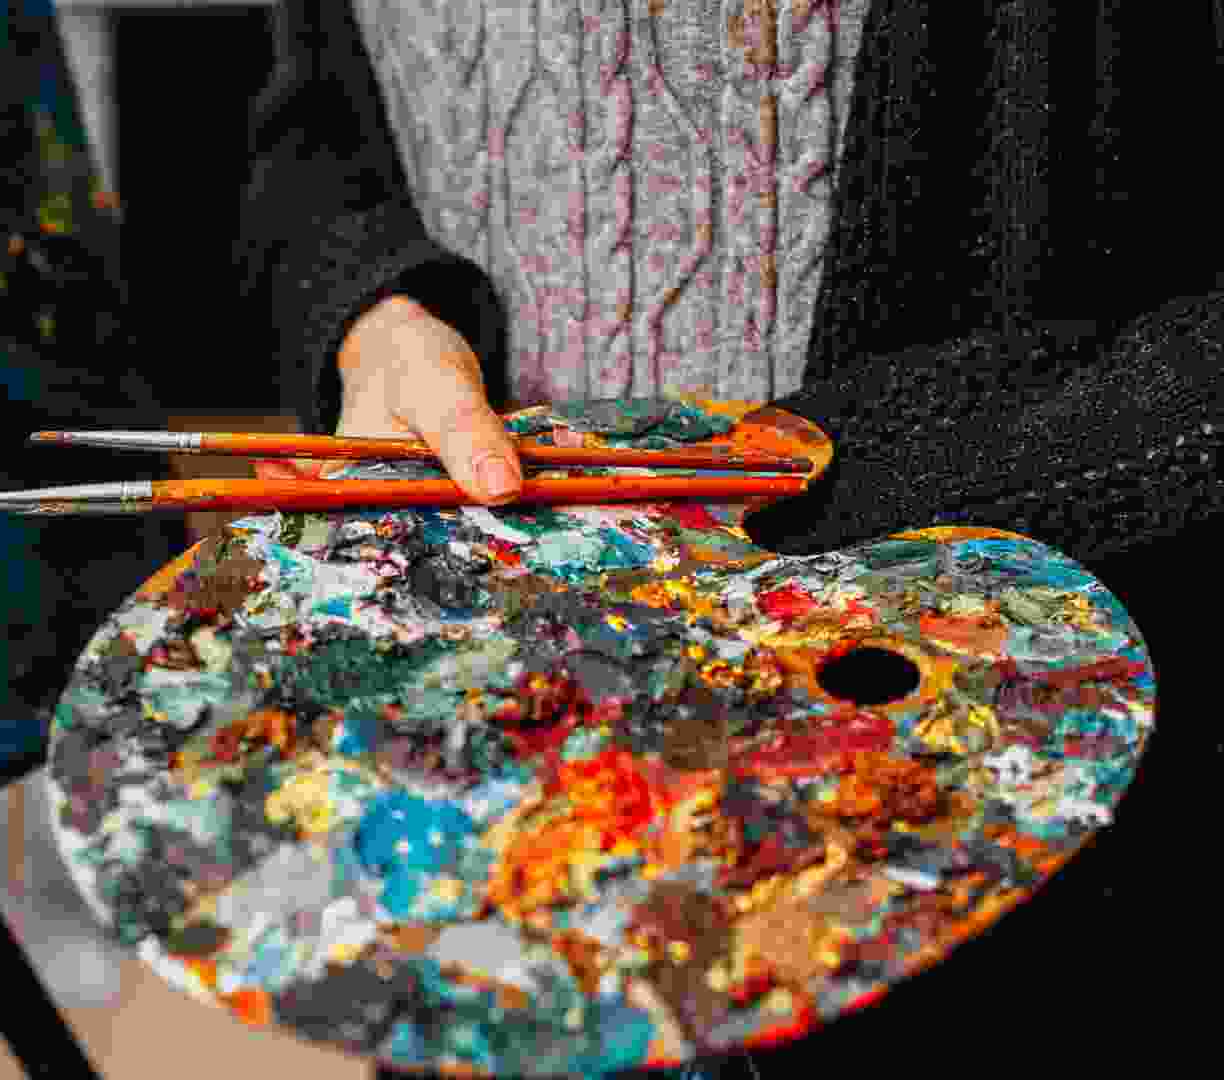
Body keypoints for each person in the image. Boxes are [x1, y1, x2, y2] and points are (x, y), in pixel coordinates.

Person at [234, 2, 1223, 1076]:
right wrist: (370, 312)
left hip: (984, 805)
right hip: (505, 739)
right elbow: (313, 130)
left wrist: (884, 473)